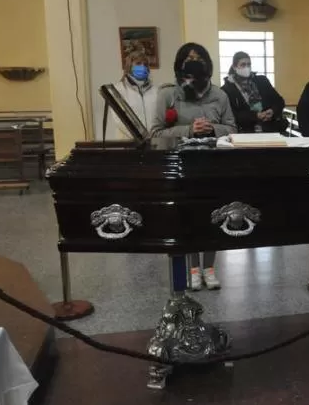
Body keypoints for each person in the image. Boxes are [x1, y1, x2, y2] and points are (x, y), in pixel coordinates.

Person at [152, 42, 237, 290]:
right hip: (182, 166)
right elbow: (155, 133)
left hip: (213, 165)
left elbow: (233, 129)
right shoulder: (168, 94)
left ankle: (209, 269)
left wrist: (214, 128)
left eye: (198, 58)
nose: (193, 62)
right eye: (188, 58)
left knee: (212, 217)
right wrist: (188, 130)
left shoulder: (220, 95)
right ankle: (192, 269)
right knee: (188, 219)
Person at [221, 51, 288, 133]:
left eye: (249, 64)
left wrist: (272, 111)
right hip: (245, 131)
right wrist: (255, 116)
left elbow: (279, 101)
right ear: (234, 67)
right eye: (243, 65)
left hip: (270, 128)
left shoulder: (262, 81)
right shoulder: (227, 89)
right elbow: (232, 114)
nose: (247, 67)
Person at [106, 58, 158, 140]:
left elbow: (159, 117)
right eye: (138, 63)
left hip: (153, 141)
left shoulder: (156, 90)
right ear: (129, 66)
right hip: (128, 142)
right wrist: (139, 136)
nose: (142, 66)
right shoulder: (119, 90)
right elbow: (119, 119)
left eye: (145, 64)